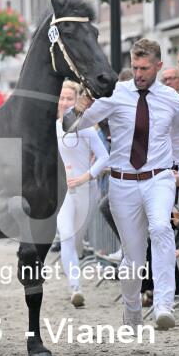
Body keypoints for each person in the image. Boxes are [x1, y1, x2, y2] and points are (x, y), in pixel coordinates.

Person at [66, 38, 179, 330]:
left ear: (158, 66)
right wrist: (78, 109)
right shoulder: (115, 94)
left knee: (161, 229)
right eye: (135, 67)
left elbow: (177, 138)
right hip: (123, 181)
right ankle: (132, 308)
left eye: (145, 68)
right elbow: (73, 126)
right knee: (133, 256)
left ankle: (163, 304)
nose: (139, 74)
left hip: (158, 177)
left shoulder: (172, 100)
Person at [56, 81, 109, 308]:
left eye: (70, 98)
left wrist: (86, 176)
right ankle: (75, 286)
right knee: (67, 236)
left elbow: (104, 157)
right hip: (62, 192)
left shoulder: (86, 128)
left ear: (77, 101)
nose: (65, 102)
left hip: (86, 190)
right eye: (62, 98)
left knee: (76, 241)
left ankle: (73, 266)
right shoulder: (52, 128)